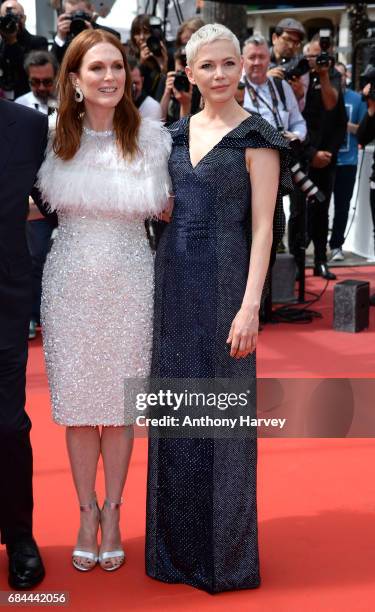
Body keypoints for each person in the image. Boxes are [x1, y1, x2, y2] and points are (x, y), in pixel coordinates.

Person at [146, 24, 291, 593]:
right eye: (208, 66)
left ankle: (223, 559)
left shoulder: (259, 136)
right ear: (189, 72)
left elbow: (263, 230)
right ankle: (173, 553)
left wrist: (251, 305)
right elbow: (160, 208)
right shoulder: (173, 137)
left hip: (230, 286)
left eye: (229, 64)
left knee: (223, 424)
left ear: (240, 67)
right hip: (174, 286)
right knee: (177, 418)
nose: (221, 75)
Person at [37, 28, 171, 572]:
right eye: (96, 69)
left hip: (131, 281)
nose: (110, 77)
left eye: (116, 67)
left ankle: (114, 513)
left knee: (119, 410)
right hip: (69, 281)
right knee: (77, 410)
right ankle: (85, 512)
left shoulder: (154, 137)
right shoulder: (48, 137)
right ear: (74, 79)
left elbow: (170, 208)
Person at [0, 99, 47, 589]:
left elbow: (54, 199)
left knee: (8, 424)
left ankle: (19, 536)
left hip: (4, 295)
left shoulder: (30, 125)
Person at [288, 35, 347, 280]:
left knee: (322, 208)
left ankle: (320, 260)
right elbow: (293, 121)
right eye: (311, 56)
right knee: (298, 209)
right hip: (301, 155)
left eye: (318, 56)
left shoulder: (331, 75)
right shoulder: (296, 74)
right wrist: (310, 154)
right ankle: (295, 262)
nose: (315, 60)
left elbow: (334, 109)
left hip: (326, 155)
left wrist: (322, 75)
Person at [15, 50, 58, 340]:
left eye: (47, 82)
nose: (42, 87)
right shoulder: (18, 107)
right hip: (36, 197)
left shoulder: (71, 106)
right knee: (35, 256)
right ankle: (31, 315)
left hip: (71, 193)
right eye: (35, 82)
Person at [330, 62, 367, 262]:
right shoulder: (325, 96)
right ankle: (313, 244)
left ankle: (336, 245)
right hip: (326, 160)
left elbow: (362, 130)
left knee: (342, 206)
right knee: (317, 205)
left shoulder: (356, 99)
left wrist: (343, 124)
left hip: (348, 161)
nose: (339, 78)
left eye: (342, 75)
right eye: (335, 74)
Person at [242, 34, 306, 141]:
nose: (257, 62)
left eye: (262, 57)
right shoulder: (236, 90)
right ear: (242, 61)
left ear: (268, 60)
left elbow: (298, 122)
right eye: (252, 57)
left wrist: (296, 136)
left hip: (283, 154)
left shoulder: (282, 86)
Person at [0, 0, 48, 100]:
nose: (10, 22)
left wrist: (12, 42)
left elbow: (32, 71)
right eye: (5, 18)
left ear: (24, 18)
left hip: (29, 101)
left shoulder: (38, 42)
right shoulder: (1, 45)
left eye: (15, 17)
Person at [51, 0, 120, 65]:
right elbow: (53, 65)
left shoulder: (110, 34)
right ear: (65, 14)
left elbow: (112, 61)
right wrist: (60, 38)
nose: (77, 17)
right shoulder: (63, 35)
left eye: (81, 13)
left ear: (91, 11)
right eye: (72, 14)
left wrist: (93, 38)